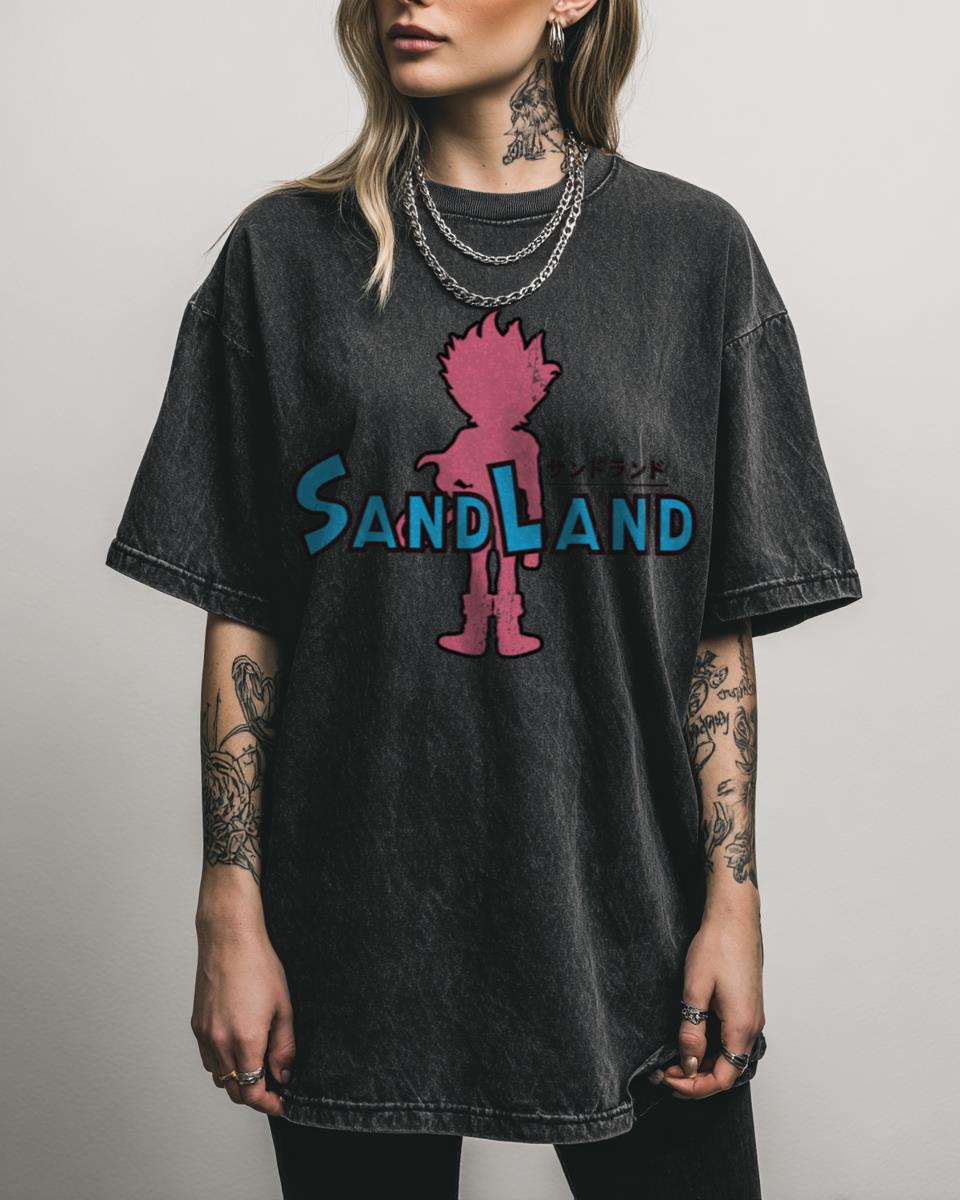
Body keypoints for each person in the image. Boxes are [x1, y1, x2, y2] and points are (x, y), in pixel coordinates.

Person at [104, 1, 863, 1196]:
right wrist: (229, 904)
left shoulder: (694, 255)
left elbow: (714, 632)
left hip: (632, 919)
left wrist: (734, 901)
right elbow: (246, 609)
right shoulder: (284, 256)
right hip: (352, 925)